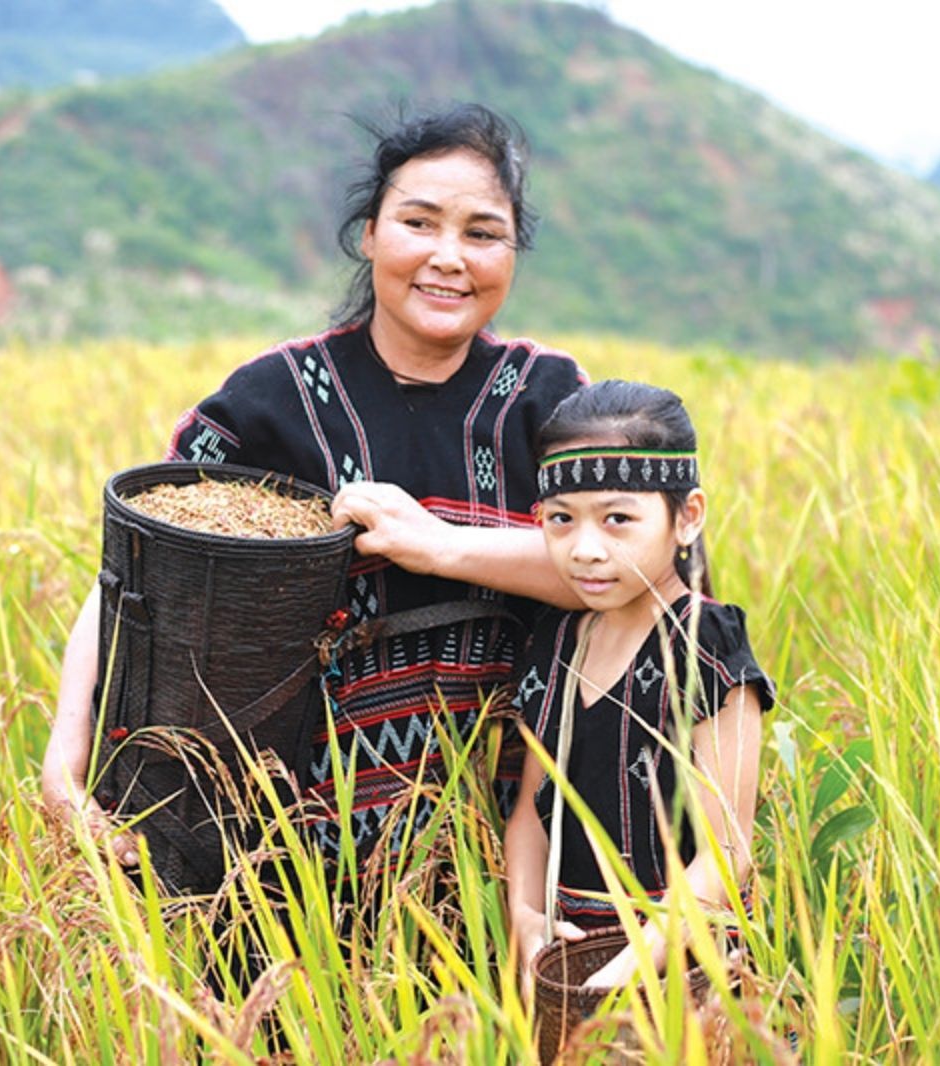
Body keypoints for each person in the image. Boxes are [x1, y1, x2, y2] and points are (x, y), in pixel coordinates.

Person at [41, 103, 586, 875]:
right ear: (369, 234)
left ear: (513, 253)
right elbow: (137, 569)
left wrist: (441, 547)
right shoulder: (274, 398)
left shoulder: (555, 401)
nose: (448, 256)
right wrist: (66, 750)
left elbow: (638, 575)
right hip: (280, 841)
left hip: (509, 840)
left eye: (483, 233)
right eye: (419, 223)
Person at [503, 380, 775, 991]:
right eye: (561, 520)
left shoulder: (707, 645)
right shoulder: (554, 640)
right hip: (565, 964)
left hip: (685, 970)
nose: (586, 549)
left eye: (618, 519)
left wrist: (624, 969)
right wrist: (525, 916)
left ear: (687, 518)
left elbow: (726, 859)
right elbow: (530, 814)